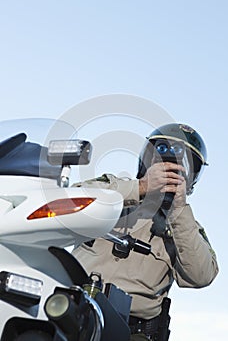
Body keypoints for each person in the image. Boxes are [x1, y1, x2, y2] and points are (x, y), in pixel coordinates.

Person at [72, 123, 218, 341]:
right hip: (72, 310)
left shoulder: (187, 227)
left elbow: (201, 276)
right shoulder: (112, 189)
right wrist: (140, 187)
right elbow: (68, 202)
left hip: (130, 330)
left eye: (181, 168)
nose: (170, 171)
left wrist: (178, 211)